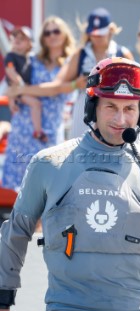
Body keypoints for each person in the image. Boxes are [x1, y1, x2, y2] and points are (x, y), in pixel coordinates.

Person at [0, 57, 140, 311]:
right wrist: (3, 302)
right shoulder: (49, 162)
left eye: (130, 108)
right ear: (92, 108)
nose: (120, 119)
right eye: (110, 106)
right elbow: (15, 233)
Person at [6, 7, 134, 139]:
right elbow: (57, 85)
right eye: (93, 33)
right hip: (85, 110)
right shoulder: (80, 54)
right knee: (83, 153)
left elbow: (137, 87)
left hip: (116, 112)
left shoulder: (122, 54)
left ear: (110, 30)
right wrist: (76, 84)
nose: (96, 37)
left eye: (100, 34)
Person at [2, 16, 76, 191]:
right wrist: (14, 95)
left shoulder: (71, 62)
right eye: (47, 32)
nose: (51, 36)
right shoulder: (33, 60)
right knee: (21, 190)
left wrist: (23, 90)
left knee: (49, 186)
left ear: (64, 34)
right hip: (24, 127)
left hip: (50, 129)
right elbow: (10, 87)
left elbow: (56, 89)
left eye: (56, 31)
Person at [4, 26, 47, 142]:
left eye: (22, 38)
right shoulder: (10, 56)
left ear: (29, 43)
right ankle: (38, 132)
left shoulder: (30, 58)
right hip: (18, 89)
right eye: (15, 37)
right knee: (36, 104)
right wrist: (19, 89)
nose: (17, 39)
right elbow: (10, 71)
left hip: (23, 89)